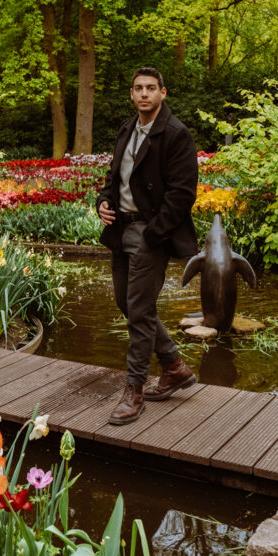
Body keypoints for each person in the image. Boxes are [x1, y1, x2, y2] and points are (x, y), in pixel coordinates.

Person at [96, 66, 199, 425]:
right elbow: (112, 180)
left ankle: (134, 390)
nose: (144, 94)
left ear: (162, 93)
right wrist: (103, 203)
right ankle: (173, 367)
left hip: (149, 234)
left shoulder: (175, 134)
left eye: (151, 88)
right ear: (131, 93)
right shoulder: (127, 130)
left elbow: (183, 195)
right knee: (126, 303)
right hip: (120, 230)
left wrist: (154, 235)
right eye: (138, 88)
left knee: (139, 311)